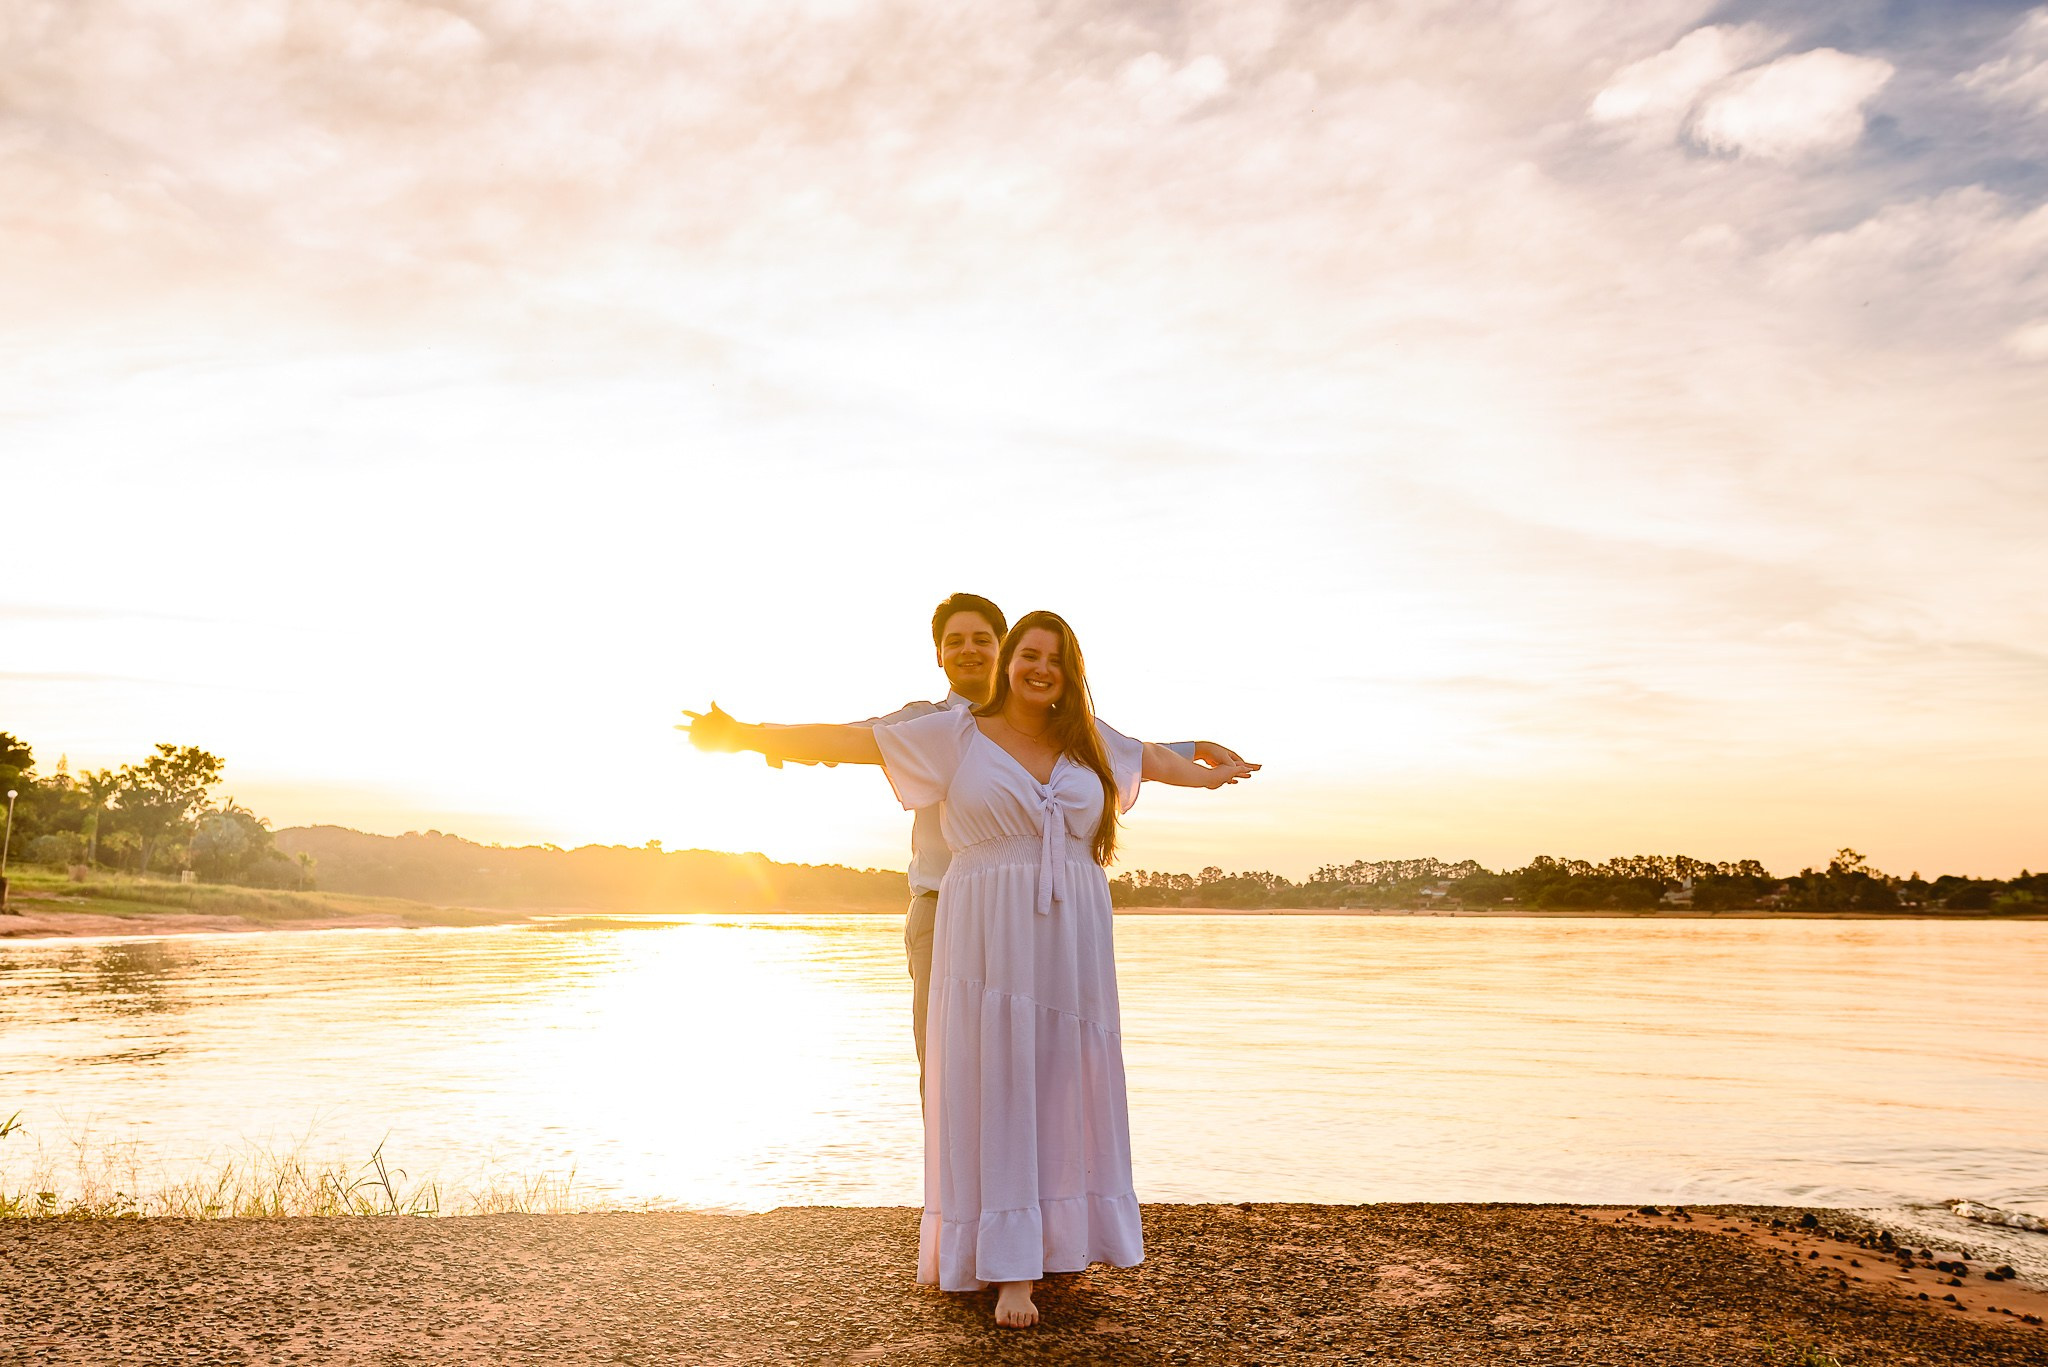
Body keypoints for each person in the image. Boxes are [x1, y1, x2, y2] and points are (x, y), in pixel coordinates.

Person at [681, 610, 1255, 1328]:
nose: (1038, 667)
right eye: (1028, 655)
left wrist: (1209, 768)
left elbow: (1155, 759)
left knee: (1062, 1075)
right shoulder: (950, 733)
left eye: (1054, 657)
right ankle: (1007, 1266)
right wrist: (746, 735)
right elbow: (851, 742)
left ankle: (1059, 1241)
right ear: (1009, 662)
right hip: (987, 926)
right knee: (996, 1079)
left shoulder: (1090, 737)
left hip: (1073, 930)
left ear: (1068, 670)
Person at [753, 592, 1250, 1098]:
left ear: (1005, 649)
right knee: (955, 1076)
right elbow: (846, 740)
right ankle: (963, 1176)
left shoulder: (1055, 726)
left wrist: (1190, 751)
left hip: (1038, 922)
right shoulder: (932, 726)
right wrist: (760, 736)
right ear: (939, 655)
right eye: (955, 641)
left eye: (982, 640)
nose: (969, 650)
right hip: (947, 912)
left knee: (1046, 1069)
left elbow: (1124, 752)